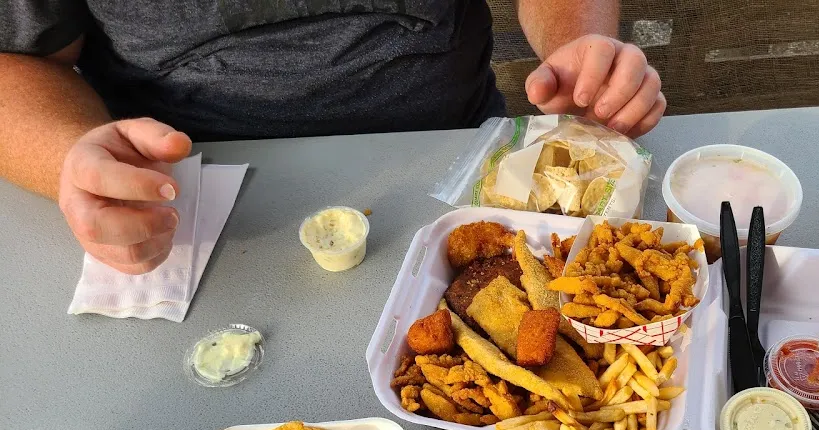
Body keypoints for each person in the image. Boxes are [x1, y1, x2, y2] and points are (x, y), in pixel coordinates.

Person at [0, 1, 665, 274]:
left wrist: (582, 46)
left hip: (457, 163)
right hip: (184, 196)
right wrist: (70, 154)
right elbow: (18, 57)